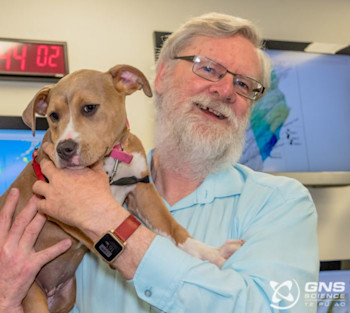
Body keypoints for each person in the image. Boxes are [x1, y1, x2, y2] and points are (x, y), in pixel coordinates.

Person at [0, 12, 318, 313]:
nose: (225, 91)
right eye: (207, 68)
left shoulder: (282, 204)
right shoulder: (69, 186)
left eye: (244, 84)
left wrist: (106, 222)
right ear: (161, 76)